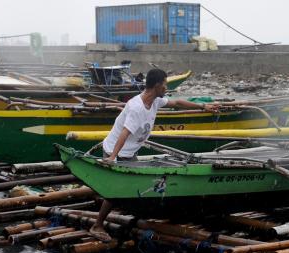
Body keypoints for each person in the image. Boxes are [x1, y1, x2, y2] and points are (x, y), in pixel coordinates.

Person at [89, 68, 219, 241]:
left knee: (133, 184)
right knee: (115, 191)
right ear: (157, 85)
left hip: (129, 152)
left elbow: (177, 103)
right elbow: (124, 133)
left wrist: (204, 106)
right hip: (116, 150)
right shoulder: (137, 108)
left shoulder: (155, 101)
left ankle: (133, 213)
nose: (166, 87)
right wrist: (112, 158)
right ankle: (97, 226)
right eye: (165, 84)